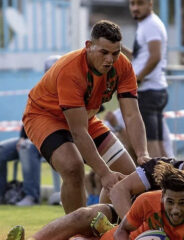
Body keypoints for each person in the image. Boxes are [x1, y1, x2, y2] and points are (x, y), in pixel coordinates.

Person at [5, 135, 184, 240]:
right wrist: (132, 227)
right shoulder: (160, 167)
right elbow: (119, 190)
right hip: (127, 221)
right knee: (86, 214)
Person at [22, 20, 150, 213]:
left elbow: (132, 114)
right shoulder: (71, 70)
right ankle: (76, 231)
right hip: (44, 116)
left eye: (115, 53)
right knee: (73, 169)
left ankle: (102, 227)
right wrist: (104, 173)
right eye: (104, 52)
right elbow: (78, 132)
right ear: (89, 46)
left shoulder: (123, 66)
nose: (109, 60)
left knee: (129, 175)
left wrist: (142, 154)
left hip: (84, 117)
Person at [108, 161, 184, 239]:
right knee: (91, 215)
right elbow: (121, 231)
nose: (176, 210)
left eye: (182, 203)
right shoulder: (146, 201)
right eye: (170, 202)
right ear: (162, 197)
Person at [121, 0, 169, 158]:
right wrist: (119, 48)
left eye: (139, 4)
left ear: (150, 4)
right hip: (155, 90)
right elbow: (140, 58)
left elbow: (155, 56)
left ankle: (157, 181)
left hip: (149, 90)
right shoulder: (147, 24)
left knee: (150, 143)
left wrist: (136, 79)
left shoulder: (150, 25)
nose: (135, 8)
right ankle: (165, 180)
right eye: (132, 4)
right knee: (158, 142)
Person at [0, 127, 41, 206]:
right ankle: (2, 195)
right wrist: (22, 137)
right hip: (27, 139)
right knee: (1, 150)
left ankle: (32, 197)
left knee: (25, 146)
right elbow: (26, 123)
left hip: (45, 140)